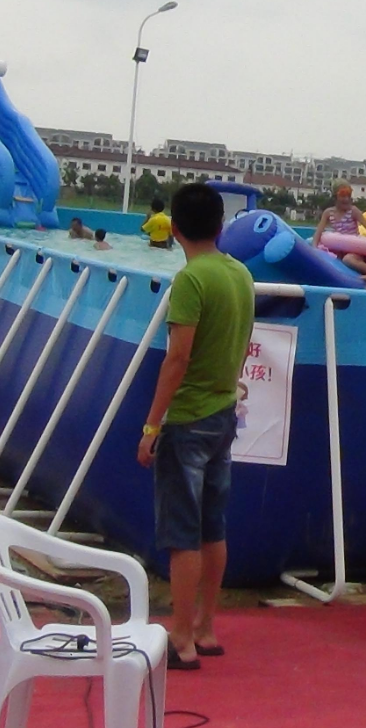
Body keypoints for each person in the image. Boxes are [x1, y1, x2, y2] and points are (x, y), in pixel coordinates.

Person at [135, 183, 254, 670]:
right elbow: (244, 341)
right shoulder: (240, 274)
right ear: (221, 226)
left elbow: (177, 357)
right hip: (224, 413)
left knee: (182, 533)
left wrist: (151, 426)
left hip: (188, 419)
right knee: (213, 526)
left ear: (175, 229)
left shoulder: (190, 280)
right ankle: (205, 626)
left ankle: (180, 637)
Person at [313, 183, 366, 275]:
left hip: (355, 250)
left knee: (348, 259)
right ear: (335, 197)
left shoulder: (353, 211)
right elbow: (318, 232)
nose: (346, 199)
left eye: (348, 196)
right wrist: (314, 249)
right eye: (343, 196)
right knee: (328, 255)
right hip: (339, 248)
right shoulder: (328, 213)